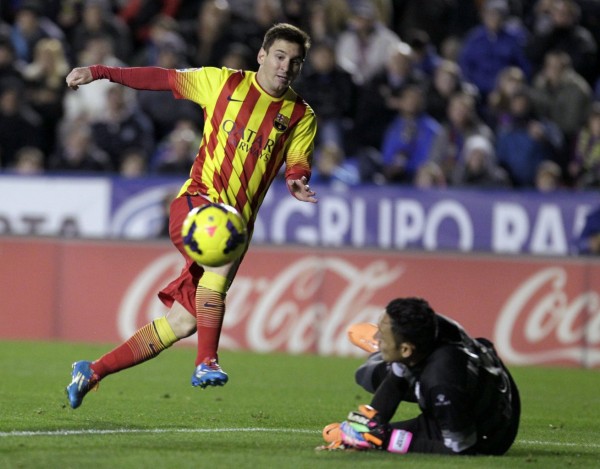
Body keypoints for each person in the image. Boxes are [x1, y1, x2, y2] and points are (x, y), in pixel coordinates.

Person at [64, 23, 317, 409]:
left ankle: (92, 370)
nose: (286, 67)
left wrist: (297, 179)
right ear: (262, 56)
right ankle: (206, 360)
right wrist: (100, 71)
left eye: (295, 61)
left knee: (183, 322)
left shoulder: (301, 114)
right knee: (223, 259)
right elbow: (160, 78)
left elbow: (297, 160)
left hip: (238, 225)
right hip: (197, 203)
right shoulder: (222, 83)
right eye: (280, 56)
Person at [320, 297, 520, 455]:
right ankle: (388, 354)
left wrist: (387, 439)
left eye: (381, 335)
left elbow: (460, 448)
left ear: (406, 349)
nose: (375, 337)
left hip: (487, 437)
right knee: (361, 426)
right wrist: (373, 421)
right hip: (491, 389)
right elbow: (395, 383)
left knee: (368, 376)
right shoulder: (431, 325)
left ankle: (382, 358)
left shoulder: (441, 382)